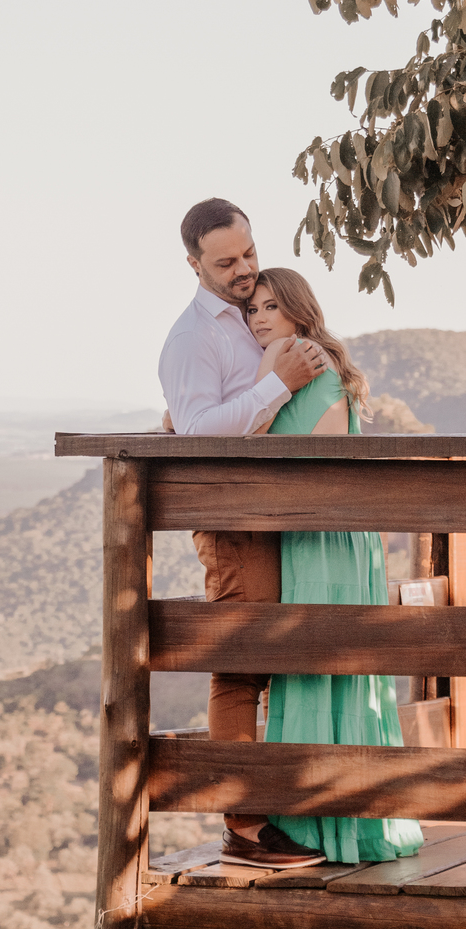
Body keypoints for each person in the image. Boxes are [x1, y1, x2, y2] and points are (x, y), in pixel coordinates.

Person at [158, 198, 328, 869]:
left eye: (249, 253)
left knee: (280, 660)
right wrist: (276, 385)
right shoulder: (191, 339)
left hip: (276, 516)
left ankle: (283, 809)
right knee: (239, 669)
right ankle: (245, 828)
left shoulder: (252, 314)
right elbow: (198, 431)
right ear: (193, 264)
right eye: (226, 262)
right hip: (231, 521)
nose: (243, 269)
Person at [246, 267, 424, 864]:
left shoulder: (300, 365)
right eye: (253, 310)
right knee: (343, 671)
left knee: (315, 666)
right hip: (343, 534)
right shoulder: (314, 361)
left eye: (271, 306)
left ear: (298, 310)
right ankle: (349, 821)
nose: (259, 318)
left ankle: (319, 827)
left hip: (322, 534)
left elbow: (269, 447)